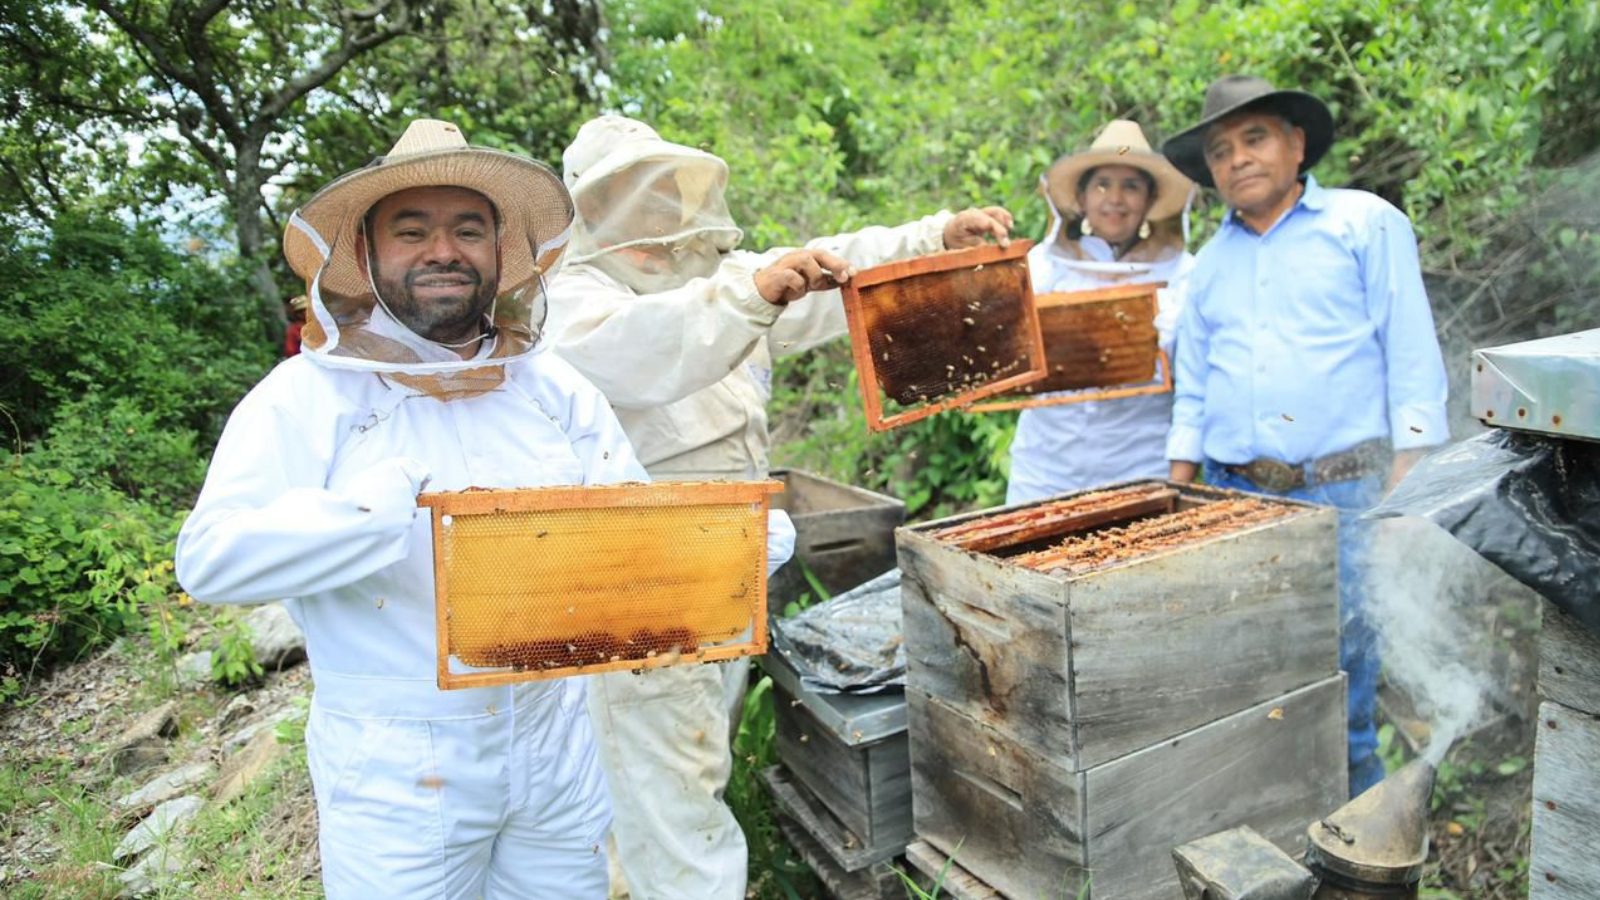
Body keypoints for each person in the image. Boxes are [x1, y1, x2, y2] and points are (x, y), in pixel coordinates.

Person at [175, 119, 794, 898]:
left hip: (556, 738)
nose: (444, 250)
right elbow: (209, 559)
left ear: (501, 253)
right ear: (365, 255)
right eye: (414, 230)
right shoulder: (307, 399)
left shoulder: (552, 388)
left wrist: (727, 542)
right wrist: (365, 516)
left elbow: (630, 524)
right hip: (400, 762)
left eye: (468, 229)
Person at [546, 114, 1013, 900]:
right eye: (630, 192)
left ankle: (628, 881)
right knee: (671, 781)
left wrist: (936, 237)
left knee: (691, 753)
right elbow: (650, 348)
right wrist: (747, 297)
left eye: (664, 188)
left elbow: (837, 267)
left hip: (724, 556)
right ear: (589, 208)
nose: (654, 209)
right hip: (636, 578)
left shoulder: (713, 276)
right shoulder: (575, 298)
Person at [1160, 76, 1450, 796]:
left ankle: (1361, 848)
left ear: (1295, 144)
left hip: (1344, 492)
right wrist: (1173, 499)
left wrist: (1405, 496)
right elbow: (1192, 389)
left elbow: (1412, 361)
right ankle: (1267, 822)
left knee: (1342, 674)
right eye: (1220, 151)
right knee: (1246, 666)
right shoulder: (1208, 267)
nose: (1237, 160)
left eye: (1254, 138)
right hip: (1230, 495)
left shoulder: (1364, 223)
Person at [1005, 119, 1196, 503]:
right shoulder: (1043, 266)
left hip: (1140, 465)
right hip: (1045, 467)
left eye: (1131, 186)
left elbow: (1196, 376)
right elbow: (1002, 347)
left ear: (1149, 201)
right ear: (1082, 198)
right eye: (1103, 184)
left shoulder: (1184, 273)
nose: (1116, 198)